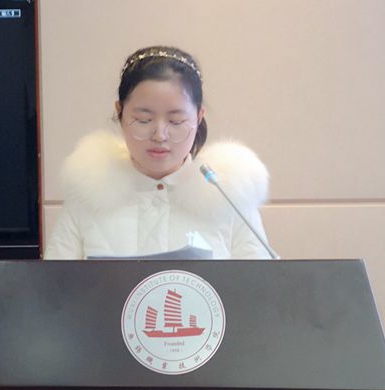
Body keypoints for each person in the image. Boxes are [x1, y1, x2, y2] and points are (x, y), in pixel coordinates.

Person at [45, 45, 273, 260]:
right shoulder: (88, 195)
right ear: (120, 113)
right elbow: (53, 283)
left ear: (198, 117)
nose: (159, 135)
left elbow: (259, 285)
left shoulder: (228, 197)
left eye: (176, 121)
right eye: (143, 120)